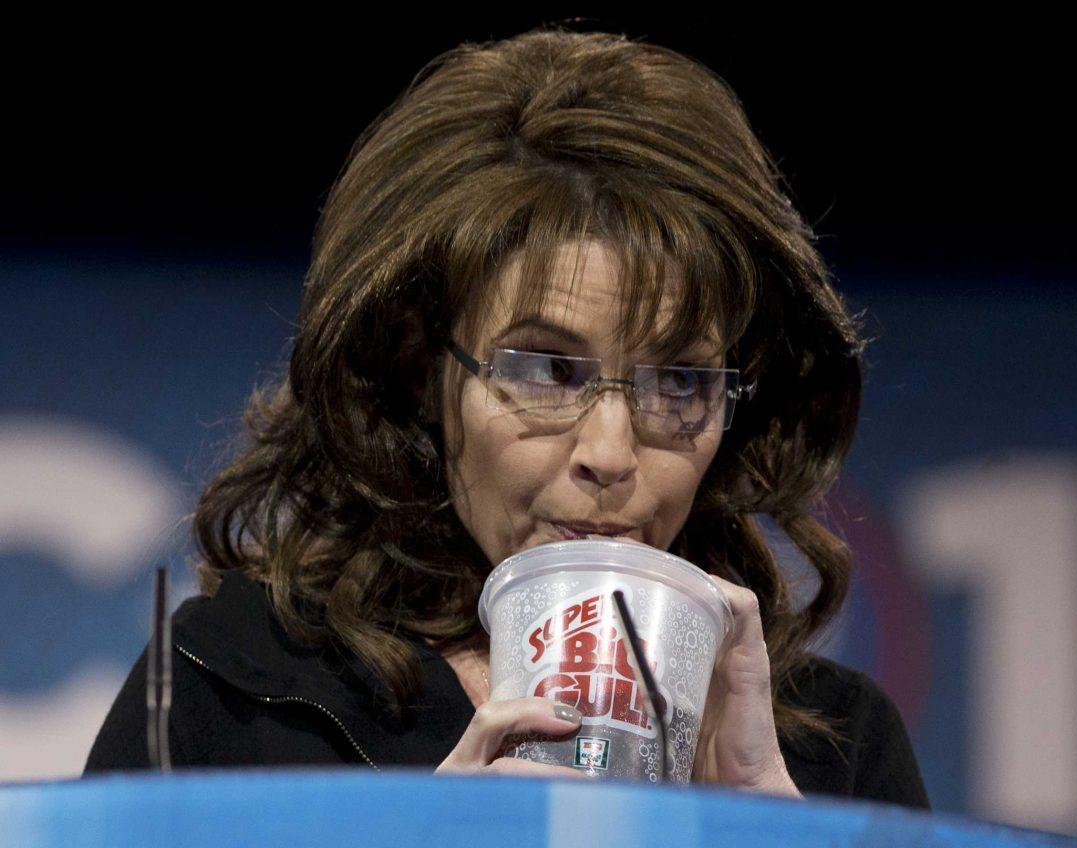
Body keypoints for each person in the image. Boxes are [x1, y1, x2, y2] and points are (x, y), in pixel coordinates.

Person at [85, 27, 929, 808]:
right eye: (549, 370)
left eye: (678, 382)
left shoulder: (833, 754)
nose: (610, 452)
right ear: (421, 367)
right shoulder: (230, 697)